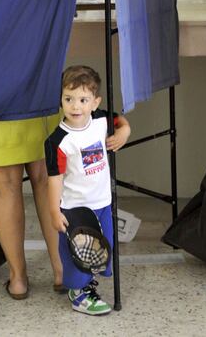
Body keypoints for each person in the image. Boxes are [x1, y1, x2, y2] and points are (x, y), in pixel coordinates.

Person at [45, 65, 131, 315]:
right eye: (68, 99)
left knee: (102, 247)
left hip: (102, 202)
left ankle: (88, 284)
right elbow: (54, 179)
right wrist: (53, 210)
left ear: (95, 102)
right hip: (75, 208)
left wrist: (125, 131)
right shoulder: (58, 141)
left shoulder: (101, 121)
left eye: (83, 100)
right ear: (60, 100)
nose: (75, 106)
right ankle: (79, 293)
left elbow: (120, 121)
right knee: (78, 253)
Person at [0, 113, 63, 299]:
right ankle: (62, 270)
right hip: (37, 92)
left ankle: (18, 280)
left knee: (5, 183)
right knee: (46, 176)